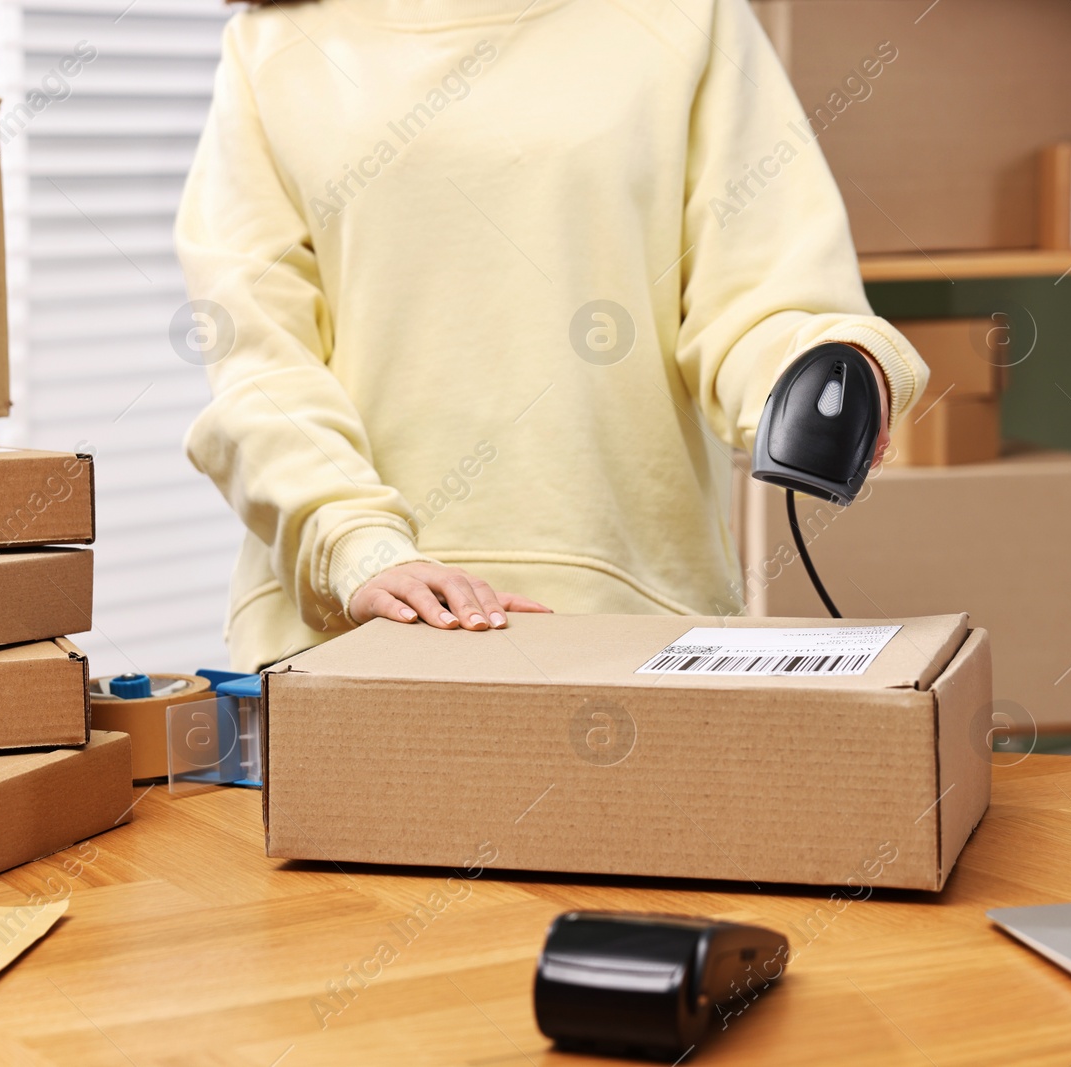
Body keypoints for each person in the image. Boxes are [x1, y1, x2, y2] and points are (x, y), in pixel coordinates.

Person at [176, 0, 928, 671]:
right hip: (348, 624)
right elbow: (260, 357)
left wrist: (819, 366)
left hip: (622, 622)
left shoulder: (689, 18)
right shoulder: (271, 44)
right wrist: (356, 544)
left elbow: (759, 296)